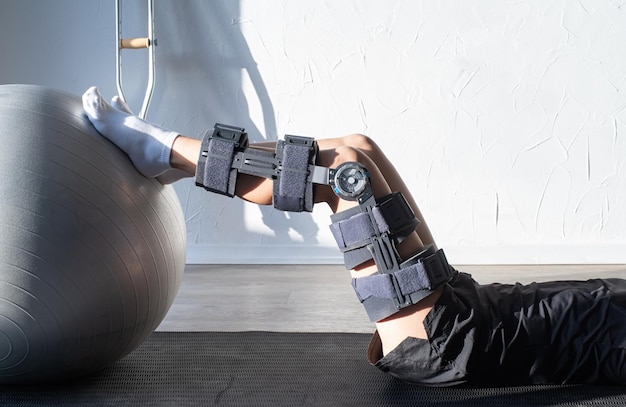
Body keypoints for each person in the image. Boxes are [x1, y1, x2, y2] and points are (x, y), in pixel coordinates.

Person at [82, 86, 626, 387]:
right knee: (357, 145)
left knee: (346, 173)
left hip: (451, 341)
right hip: (471, 302)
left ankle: (168, 151)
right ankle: (179, 164)